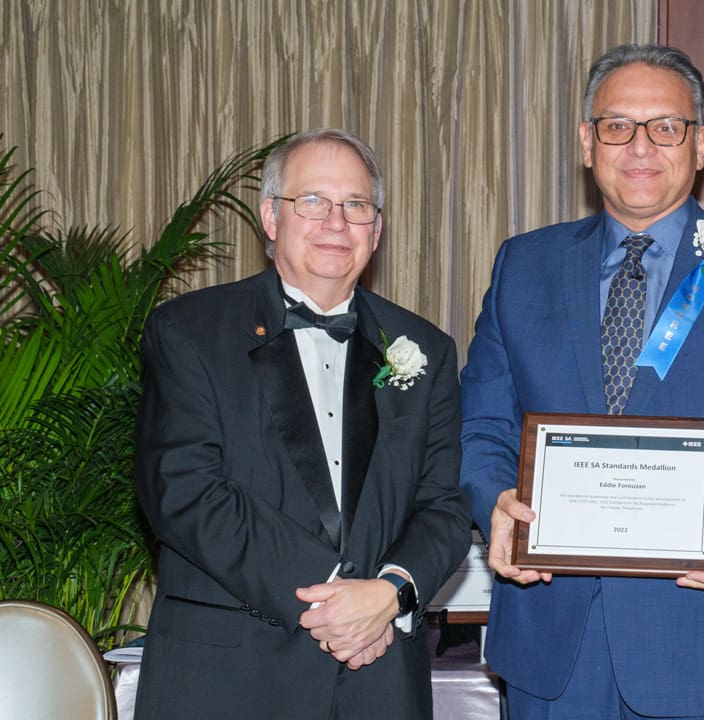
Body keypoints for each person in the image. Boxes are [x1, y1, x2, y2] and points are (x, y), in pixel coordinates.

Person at [460, 44, 704, 718]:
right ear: (588, 143)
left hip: (703, 647)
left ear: (700, 144)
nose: (640, 146)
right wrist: (494, 499)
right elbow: (483, 426)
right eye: (617, 126)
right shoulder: (522, 267)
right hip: (552, 656)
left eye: (665, 127)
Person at [133, 128, 472, 719]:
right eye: (312, 201)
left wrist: (389, 593)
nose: (337, 223)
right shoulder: (189, 331)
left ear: (378, 228)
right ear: (270, 217)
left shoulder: (427, 349)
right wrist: (341, 599)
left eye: (357, 205)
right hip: (227, 680)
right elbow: (182, 490)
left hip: (378, 678)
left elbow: (443, 504)